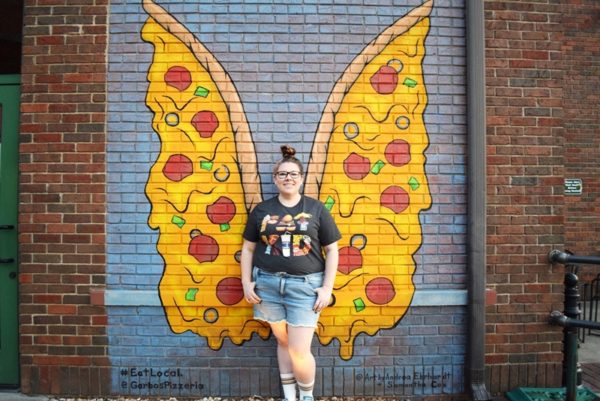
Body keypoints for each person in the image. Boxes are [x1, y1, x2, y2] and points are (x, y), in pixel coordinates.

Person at [241, 145, 341, 401]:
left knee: (299, 349)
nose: (288, 178)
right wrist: (247, 283)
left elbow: (332, 250)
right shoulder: (262, 210)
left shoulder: (317, 209)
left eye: (293, 174)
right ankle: (289, 397)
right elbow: (249, 248)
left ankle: (306, 398)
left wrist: (327, 288)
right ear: (275, 179)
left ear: (301, 177)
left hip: (305, 287)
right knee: (283, 342)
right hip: (268, 286)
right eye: (283, 174)